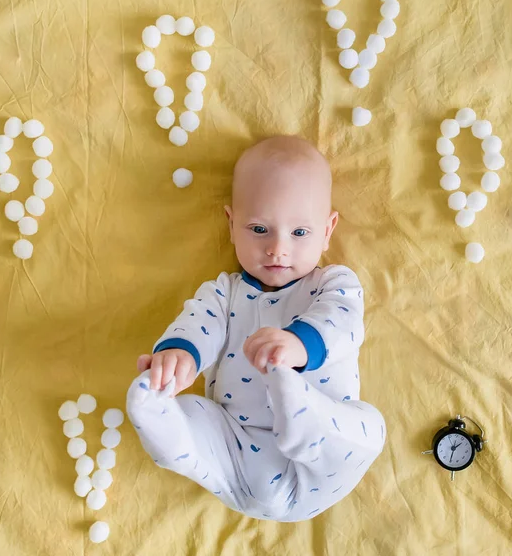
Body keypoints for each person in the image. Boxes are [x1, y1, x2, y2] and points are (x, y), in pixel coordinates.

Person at [126, 136, 386, 521]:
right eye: (259, 229)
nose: (278, 249)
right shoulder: (224, 293)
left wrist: (297, 346)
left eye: (299, 233)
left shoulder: (333, 284)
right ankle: (161, 419)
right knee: (197, 418)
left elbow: (342, 322)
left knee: (368, 430)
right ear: (231, 225)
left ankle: (296, 406)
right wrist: (180, 356)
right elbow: (200, 323)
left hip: (317, 465)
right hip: (237, 453)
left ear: (328, 230)